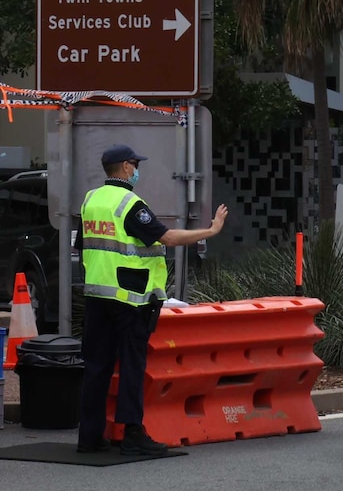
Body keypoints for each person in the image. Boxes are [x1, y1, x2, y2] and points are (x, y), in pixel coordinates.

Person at [76, 144, 229, 455]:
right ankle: (133, 434)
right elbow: (168, 238)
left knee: (96, 367)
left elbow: (84, 246)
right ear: (124, 167)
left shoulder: (91, 200)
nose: (137, 169)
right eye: (134, 164)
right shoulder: (129, 204)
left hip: (96, 294)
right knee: (133, 365)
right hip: (129, 298)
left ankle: (88, 438)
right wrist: (211, 231)